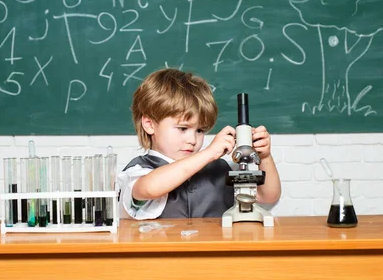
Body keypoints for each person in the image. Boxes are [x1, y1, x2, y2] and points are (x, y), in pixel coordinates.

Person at [117, 68, 281, 220]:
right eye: (182, 128)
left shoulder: (220, 169)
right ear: (149, 124)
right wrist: (209, 153)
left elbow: (268, 196)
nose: (193, 140)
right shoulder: (138, 171)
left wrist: (264, 157)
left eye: (200, 131)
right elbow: (149, 189)